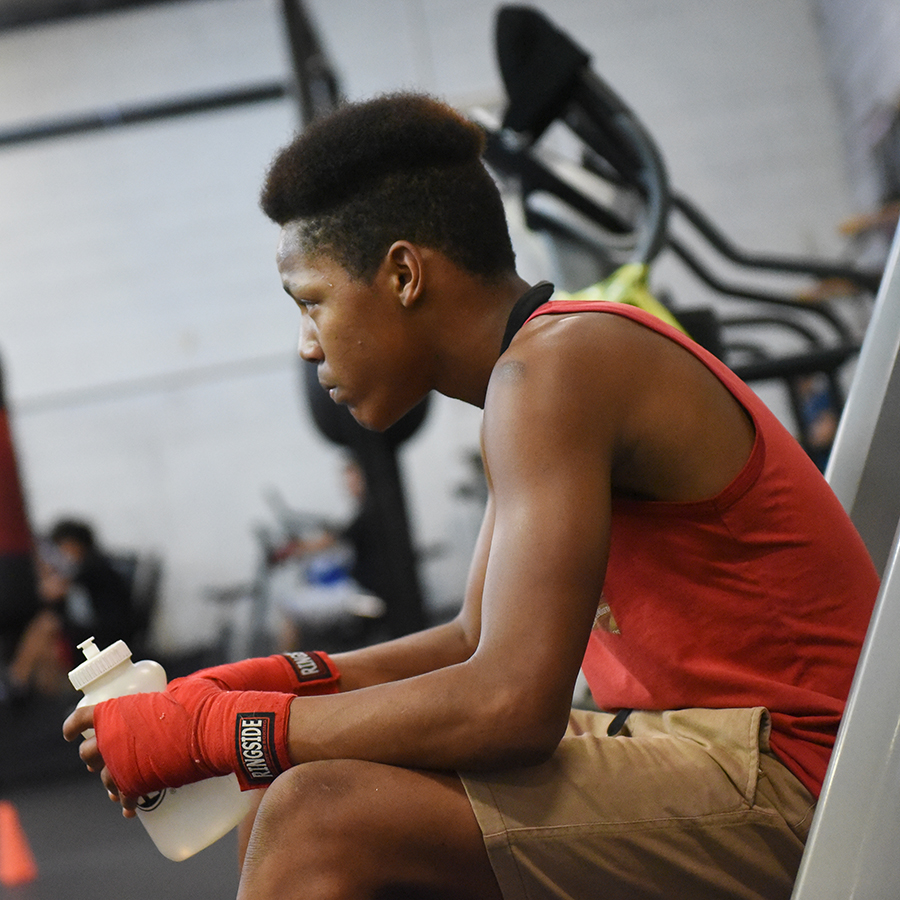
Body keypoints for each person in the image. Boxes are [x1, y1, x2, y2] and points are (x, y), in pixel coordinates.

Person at [64, 94, 879, 900]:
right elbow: (470, 642)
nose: (307, 344)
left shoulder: (553, 372)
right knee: (290, 797)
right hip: (711, 750)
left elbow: (510, 706)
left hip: (813, 783)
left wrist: (223, 733)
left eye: (311, 302)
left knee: (321, 814)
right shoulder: (535, 374)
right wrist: (259, 684)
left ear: (404, 275)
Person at [9, 518, 133, 701]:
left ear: (74, 544)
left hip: (107, 633)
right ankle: (37, 694)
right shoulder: (88, 568)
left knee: (46, 625)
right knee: (47, 647)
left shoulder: (93, 567)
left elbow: (51, 592)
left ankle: (16, 680)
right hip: (92, 631)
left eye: (61, 546)